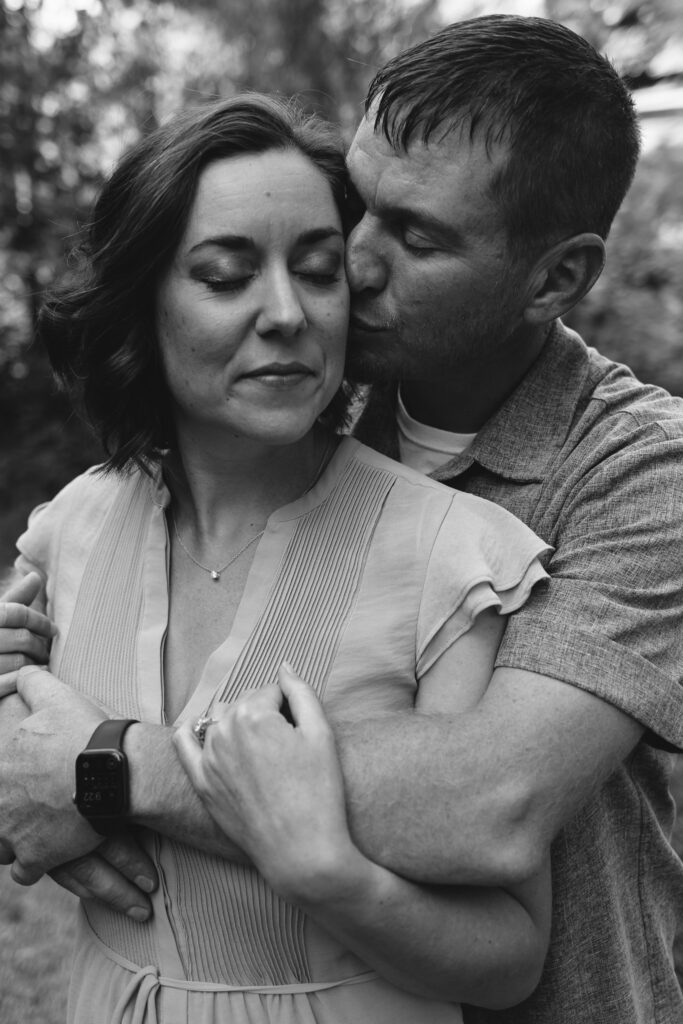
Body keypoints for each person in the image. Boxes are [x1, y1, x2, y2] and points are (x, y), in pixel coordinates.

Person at [2, 13, 683, 1023]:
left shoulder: (642, 470)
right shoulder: (296, 409)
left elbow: (484, 803)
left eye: (415, 237)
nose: (348, 265)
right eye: (358, 205)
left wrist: (106, 769)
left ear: (555, 278)